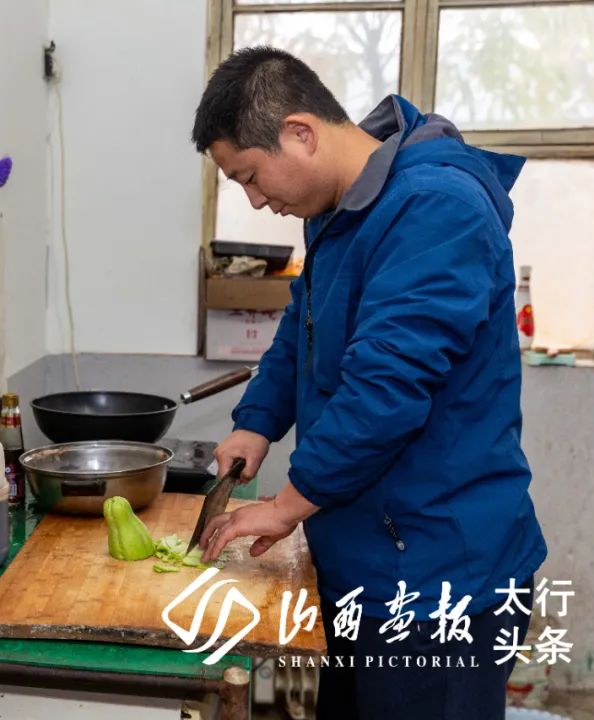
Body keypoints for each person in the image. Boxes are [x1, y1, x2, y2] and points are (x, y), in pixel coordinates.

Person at [192, 47, 546, 720]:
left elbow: (385, 391)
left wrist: (288, 504)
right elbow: (305, 323)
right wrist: (256, 422)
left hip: (440, 577)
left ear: (300, 132)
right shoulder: (338, 210)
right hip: (369, 564)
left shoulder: (436, 209)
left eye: (250, 176)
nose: (256, 199)